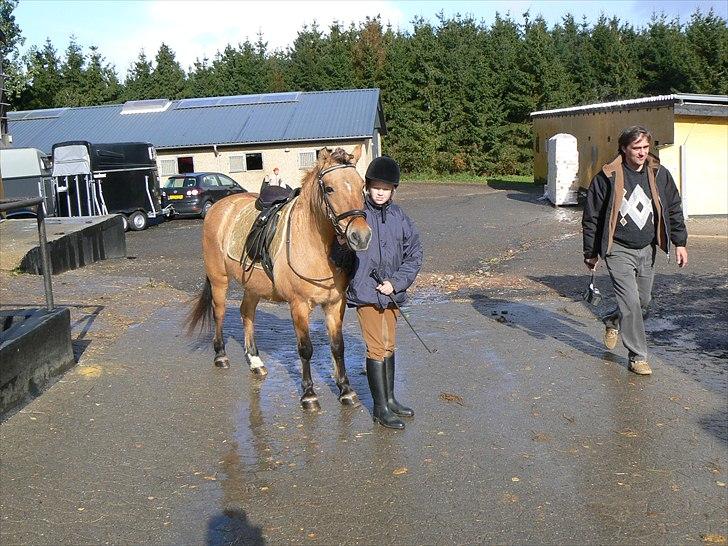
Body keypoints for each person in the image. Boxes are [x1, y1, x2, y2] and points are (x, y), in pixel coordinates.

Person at [582, 125, 688, 376]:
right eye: (636, 148)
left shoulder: (659, 173)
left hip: (647, 248)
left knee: (643, 302)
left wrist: (680, 242)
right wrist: (591, 252)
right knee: (630, 302)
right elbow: (592, 217)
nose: (642, 153)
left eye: (645, 147)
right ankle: (638, 356)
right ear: (624, 148)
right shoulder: (607, 176)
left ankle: (613, 321)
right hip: (618, 249)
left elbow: (673, 207)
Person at [347, 155, 423, 429]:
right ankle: (379, 408)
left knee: (389, 344)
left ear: (393, 190)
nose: (380, 192)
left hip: (392, 292)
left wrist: (397, 282)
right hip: (367, 292)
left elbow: (414, 254)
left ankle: (390, 399)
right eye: (376, 186)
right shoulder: (357, 214)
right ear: (367, 187)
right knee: (376, 348)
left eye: (386, 187)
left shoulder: (399, 217)